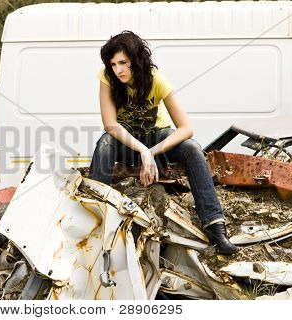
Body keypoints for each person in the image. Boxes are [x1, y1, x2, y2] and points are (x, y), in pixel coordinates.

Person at [89, 31, 239, 254]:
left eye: (123, 63)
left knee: (192, 148)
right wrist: (142, 150)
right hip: (126, 141)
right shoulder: (107, 77)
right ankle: (92, 219)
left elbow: (186, 128)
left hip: (155, 136)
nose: (117, 70)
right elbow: (110, 124)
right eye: (113, 64)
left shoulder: (155, 80)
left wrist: (151, 151)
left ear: (136, 61)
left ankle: (215, 226)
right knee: (104, 144)